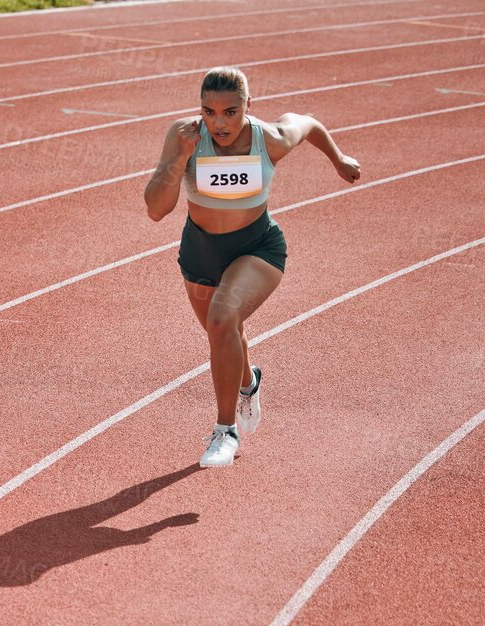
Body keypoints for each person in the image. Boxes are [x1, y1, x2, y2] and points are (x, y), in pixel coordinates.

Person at [142, 67, 362, 467]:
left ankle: (225, 431)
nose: (219, 122)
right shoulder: (183, 136)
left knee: (223, 321)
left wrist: (338, 158)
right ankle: (249, 383)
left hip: (257, 247)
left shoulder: (269, 139)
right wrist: (181, 159)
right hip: (199, 253)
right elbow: (156, 209)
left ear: (248, 106)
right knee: (227, 333)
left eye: (230, 111)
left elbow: (307, 123)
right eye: (209, 112)